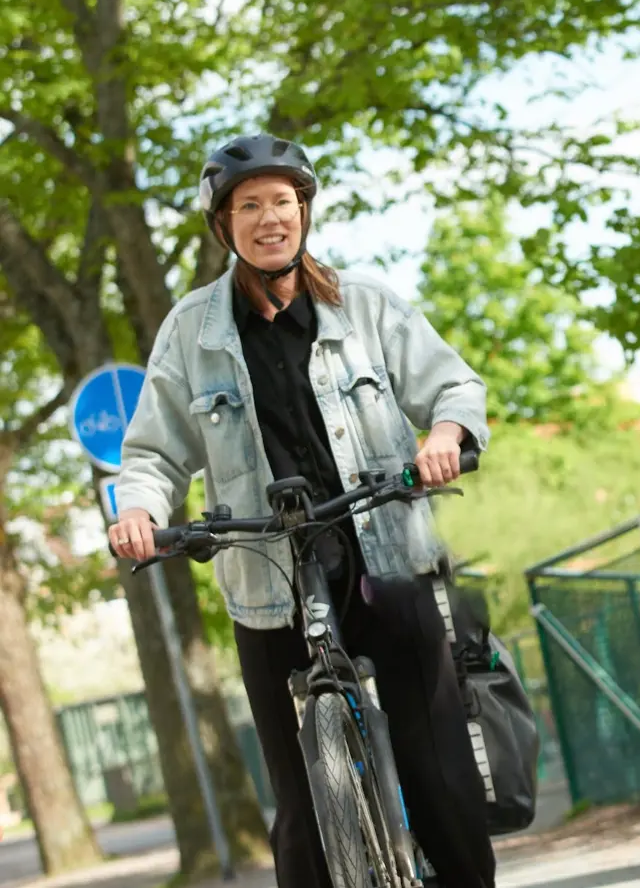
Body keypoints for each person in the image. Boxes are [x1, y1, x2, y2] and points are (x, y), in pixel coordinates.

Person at [108, 133, 496, 888]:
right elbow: (154, 453)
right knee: (299, 809)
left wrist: (446, 435)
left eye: (282, 202)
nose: (268, 218)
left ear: (304, 211)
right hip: (267, 574)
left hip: (382, 548)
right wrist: (138, 514)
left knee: (439, 772)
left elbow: (452, 387)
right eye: (249, 206)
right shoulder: (192, 332)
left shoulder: (366, 305)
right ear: (225, 225)